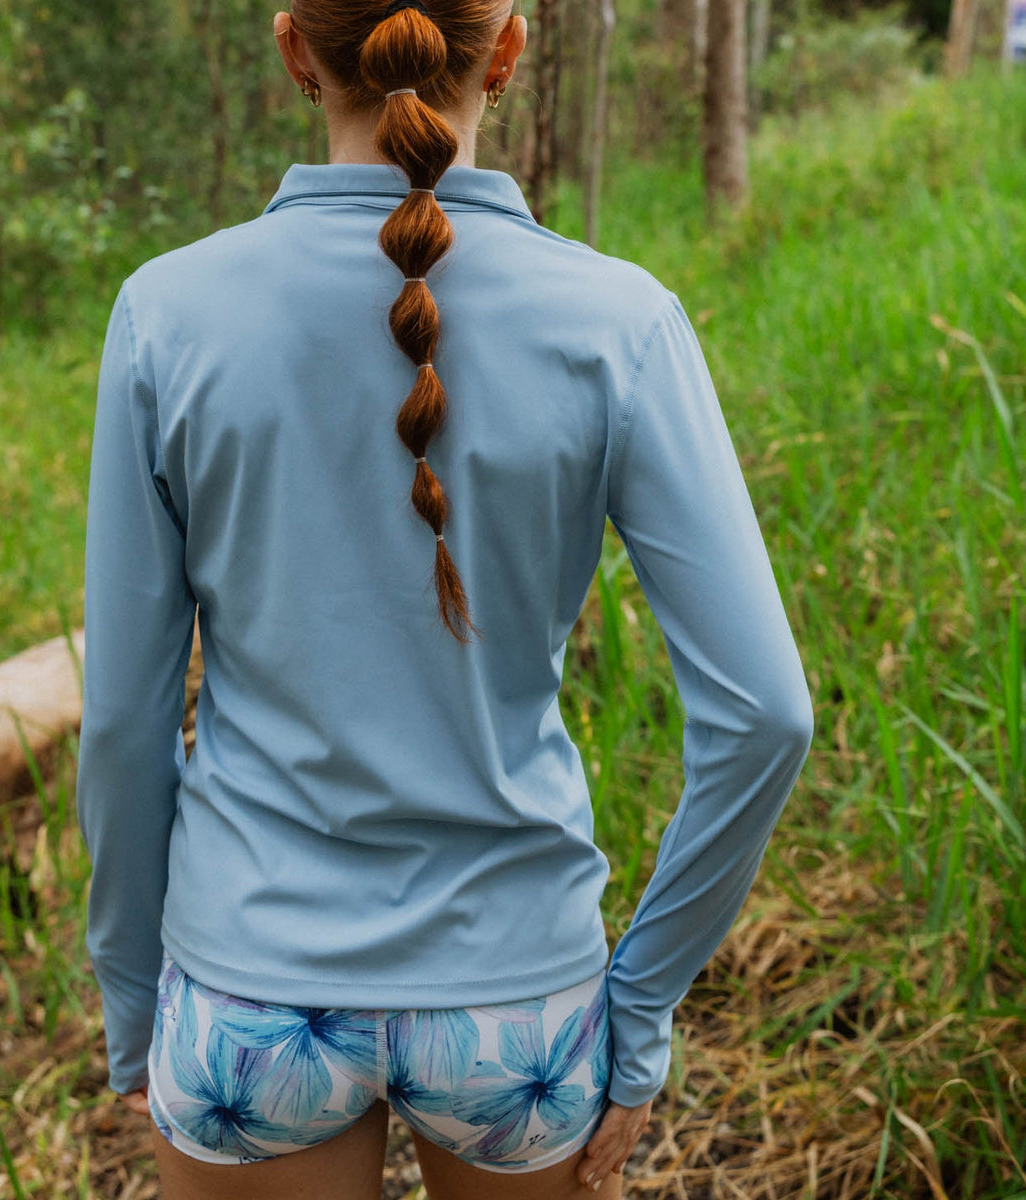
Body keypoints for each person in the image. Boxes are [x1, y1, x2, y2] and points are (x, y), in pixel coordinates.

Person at [74, 1, 814, 1196]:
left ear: (295, 52)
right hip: (520, 1010)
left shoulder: (166, 313)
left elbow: (120, 722)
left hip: (253, 996)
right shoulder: (622, 323)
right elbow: (768, 718)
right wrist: (642, 1008)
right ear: (509, 51)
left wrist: (129, 998)